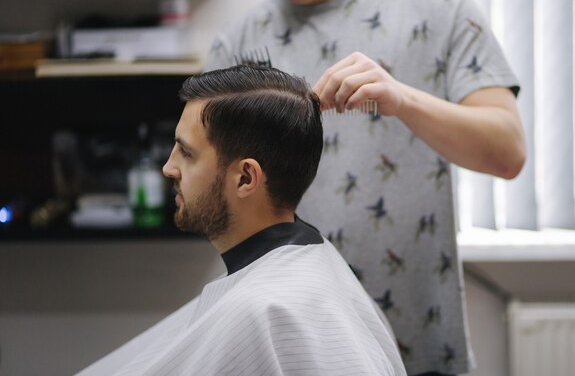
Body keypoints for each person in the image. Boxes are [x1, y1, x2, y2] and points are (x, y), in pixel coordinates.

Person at [205, 0, 526, 375]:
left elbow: (508, 152)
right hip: (287, 345)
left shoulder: (441, 8)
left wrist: (403, 100)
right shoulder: (237, 43)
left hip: (417, 341)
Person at [75, 64, 407, 376]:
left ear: (246, 178)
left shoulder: (267, 308)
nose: (168, 167)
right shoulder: (308, 259)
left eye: (186, 153)